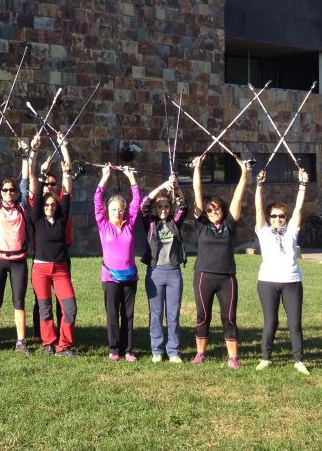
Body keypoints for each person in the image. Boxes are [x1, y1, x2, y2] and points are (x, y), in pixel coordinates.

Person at [190, 155, 251, 369]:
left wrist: (244, 174)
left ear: (222, 210)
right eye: (209, 210)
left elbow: (238, 196)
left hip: (227, 278)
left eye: (216, 208)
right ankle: (200, 353)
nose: (213, 211)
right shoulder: (201, 225)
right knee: (203, 315)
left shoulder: (229, 225)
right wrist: (197, 168)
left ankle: (233, 358)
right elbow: (197, 192)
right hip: (204, 276)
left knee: (229, 317)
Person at [254, 168, 310, 375]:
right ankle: (265, 358)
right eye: (274, 216)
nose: (278, 218)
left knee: (295, 323)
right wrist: (259, 186)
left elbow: (299, 208)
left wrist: (302, 185)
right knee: (271, 321)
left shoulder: (292, 231)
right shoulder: (263, 231)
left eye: (281, 216)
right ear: (269, 218)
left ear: (285, 217)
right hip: (267, 282)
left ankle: (298, 360)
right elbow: (258, 209)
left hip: (292, 281)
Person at [27, 134, 75, 356]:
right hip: (41, 269)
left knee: (70, 308)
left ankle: (64, 345)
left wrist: (66, 168)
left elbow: (67, 193)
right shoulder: (37, 218)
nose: (49, 207)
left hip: (61, 269)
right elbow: (37, 192)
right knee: (45, 308)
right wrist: (41, 172)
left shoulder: (61, 218)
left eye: (52, 205)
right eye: (45, 205)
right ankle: (48, 343)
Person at [0, 139, 31, 354]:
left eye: (12, 190)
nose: (9, 193)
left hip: (18, 261)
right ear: (1, 192)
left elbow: (25, 182)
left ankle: (21, 342)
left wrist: (25, 156)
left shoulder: (22, 206)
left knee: (19, 302)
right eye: (5, 190)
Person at [95, 164, 141, 361]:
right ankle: (114, 349)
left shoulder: (129, 224)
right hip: (110, 278)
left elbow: (136, 202)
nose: (117, 212)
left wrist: (131, 178)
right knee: (113, 314)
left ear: (124, 210)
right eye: (113, 209)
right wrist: (104, 178)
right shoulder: (103, 225)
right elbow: (96, 201)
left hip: (129, 276)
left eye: (120, 209)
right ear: (108, 210)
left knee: (128, 315)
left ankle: (128, 349)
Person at [140, 175, 188, 363]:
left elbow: (183, 207)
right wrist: (162, 186)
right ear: (155, 209)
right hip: (155, 273)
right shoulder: (150, 222)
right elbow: (144, 204)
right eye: (159, 206)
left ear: (170, 208)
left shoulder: (174, 222)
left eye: (166, 206)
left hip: (174, 272)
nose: (163, 210)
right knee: (156, 314)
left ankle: (174, 351)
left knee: (173, 315)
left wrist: (176, 187)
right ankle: (157, 351)